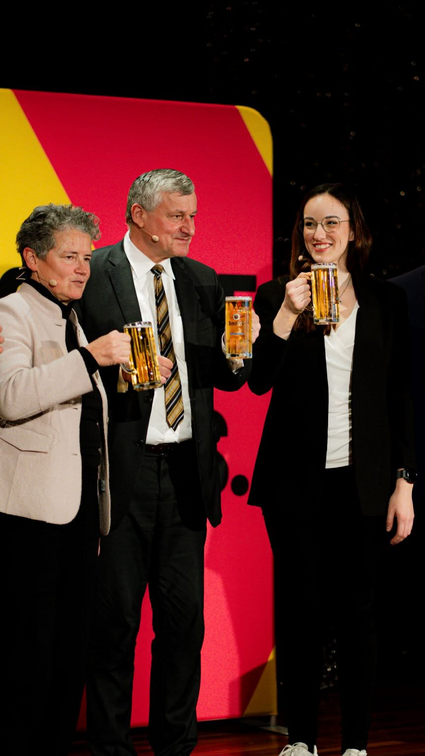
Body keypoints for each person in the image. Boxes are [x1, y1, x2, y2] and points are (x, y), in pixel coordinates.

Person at [74, 168, 260, 756]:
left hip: (184, 477)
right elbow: (71, 362)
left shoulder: (202, 279)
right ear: (139, 214)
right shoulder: (94, 273)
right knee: (114, 627)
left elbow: (228, 378)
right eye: (177, 215)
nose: (190, 227)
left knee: (183, 628)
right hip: (119, 477)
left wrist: (240, 350)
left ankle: (175, 747)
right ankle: (110, 748)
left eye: (193, 215)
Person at [247, 183, 416, 756]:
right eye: (310, 224)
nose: (319, 234)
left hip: (363, 481)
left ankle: (357, 744)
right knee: (301, 610)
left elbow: (400, 395)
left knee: (358, 612)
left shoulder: (385, 299)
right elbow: (258, 381)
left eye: (331, 223)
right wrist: (287, 314)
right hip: (294, 482)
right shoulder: (276, 295)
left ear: (353, 230)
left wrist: (405, 481)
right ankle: (300, 740)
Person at [0, 204, 131, 756]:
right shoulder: (12, 310)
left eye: (87, 257)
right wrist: (90, 359)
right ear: (33, 258)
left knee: (70, 655)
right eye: (69, 256)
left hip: (78, 515)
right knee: (29, 657)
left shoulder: (71, 317)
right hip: (28, 517)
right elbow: (9, 396)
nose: (83, 268)